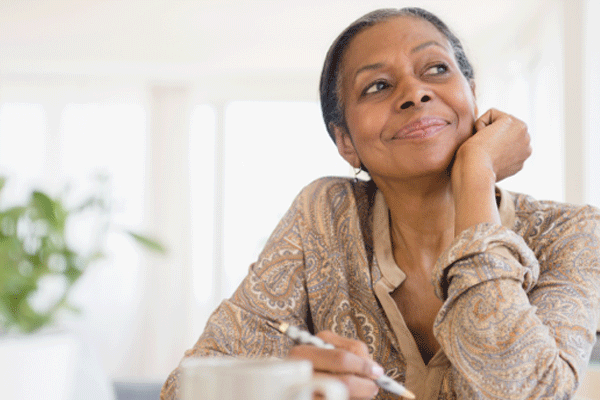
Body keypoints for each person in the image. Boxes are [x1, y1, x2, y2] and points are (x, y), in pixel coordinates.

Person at [161, 7, 600, 400]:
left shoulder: (572, 232)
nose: (414, 92)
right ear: (345, 142)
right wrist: (285, 386)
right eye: (377, 86)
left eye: (436, 69)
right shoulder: (322, 216)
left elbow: (524, 392)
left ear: (471, 94)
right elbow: (186, 388)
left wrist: (475, 174)